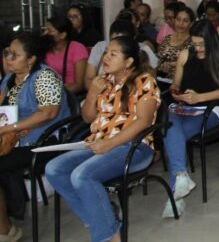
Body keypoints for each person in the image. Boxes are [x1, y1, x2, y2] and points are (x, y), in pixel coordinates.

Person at [46, 37, 160, 242]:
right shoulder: (103, 81)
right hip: (98, 143)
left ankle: (107, 235)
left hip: (134, 147)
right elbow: (88, 118)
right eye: (106, 52)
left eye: (112, 54)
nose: (105, 58)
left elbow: (143, 122)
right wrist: (92, 94)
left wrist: (109, 144)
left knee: (82, 176)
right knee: (54, 169)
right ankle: (103, 219)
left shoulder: (143, 81)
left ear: (128, 62)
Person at [0, 32, 70, 240]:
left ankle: (6, 230)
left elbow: (48, 113)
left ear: (31, 59)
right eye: (7, 53)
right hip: (12, 137)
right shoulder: (10, 78)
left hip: (43, 141)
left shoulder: (44, 77)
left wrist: (10, 128)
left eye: (15, 55)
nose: (8, 59)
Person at [163, 20, 219, 216]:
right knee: (170, 126)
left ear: (211, 40)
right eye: (195, 44)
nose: (199, 49)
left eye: (202, 44)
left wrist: (199, 97)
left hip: (208, 111)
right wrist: (177, 93)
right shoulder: (186, 55)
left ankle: (175, 197)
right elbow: (174, 84)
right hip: (181, 109)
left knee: (172, 137)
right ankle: (180, 177)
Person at [84, 19, 158, 90]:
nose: (106, 58)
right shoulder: (100, 47)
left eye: (113, 54)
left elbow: (152, 79)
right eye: (113, 40)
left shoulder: (144, 50)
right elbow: (89, 78)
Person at [43, 15, 89, 94]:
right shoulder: (45, 49)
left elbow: (79, 85)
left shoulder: (77, 49)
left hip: (69, 94)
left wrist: (54, 93)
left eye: (49, 31)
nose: (45, 33)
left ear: (63, 35)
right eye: (45, 30)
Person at [156, 5, 194, 80]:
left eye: (185, 20)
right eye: (178, 19)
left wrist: (178, 65)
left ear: (191, 23)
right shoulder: (167, 38)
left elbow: (194, 66)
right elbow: (159, 60)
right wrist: (164, 66)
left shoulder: (193, 42)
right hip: (161, 78)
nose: (181, 23)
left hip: (183, 81)